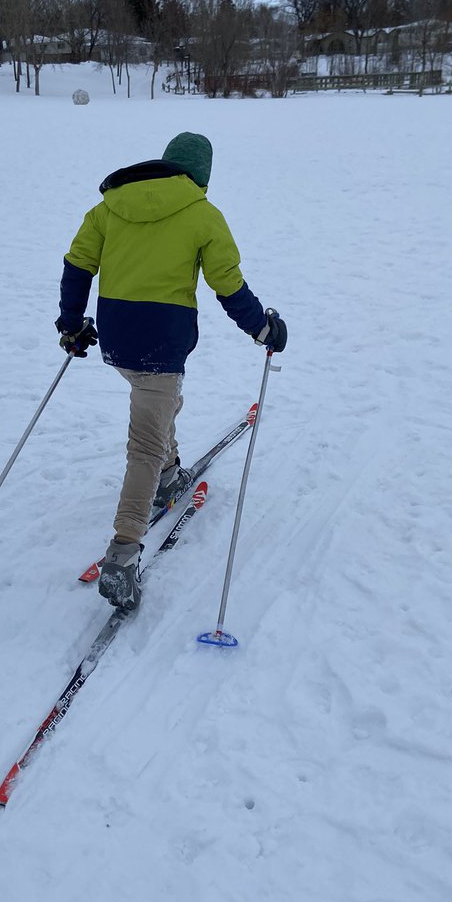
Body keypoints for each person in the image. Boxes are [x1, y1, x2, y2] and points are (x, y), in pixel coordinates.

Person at [56, 131, 286, 613]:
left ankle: (168, 472)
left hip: (117, 340)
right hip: (162, 340)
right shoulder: (204, 214)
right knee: (145, 438)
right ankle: (123, 553)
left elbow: (78, 266)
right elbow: (228, 284)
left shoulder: (109, 207)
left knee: (156, 405)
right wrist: (262, 329)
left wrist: (72, 324)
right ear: (202, 174)